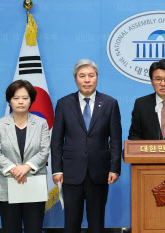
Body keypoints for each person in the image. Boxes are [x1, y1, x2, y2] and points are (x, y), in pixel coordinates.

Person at [51, 59, 122, 233]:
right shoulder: (63, 103)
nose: (87, 80)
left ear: (97, 78)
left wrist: (115, 168)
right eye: (82, 76)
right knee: (71, 223)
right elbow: (57, 140)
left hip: (99, 172)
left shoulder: (110, 103)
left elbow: (116, 139)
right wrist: (57, 169)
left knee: (96, 223)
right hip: (71, 172)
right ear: (75, 79)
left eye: (91, 75)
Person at [0, 80, 50, 233]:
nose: (20, 102)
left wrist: (26, 167)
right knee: (10, 229)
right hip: (8, 184)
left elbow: (44, 150)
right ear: (9, 100)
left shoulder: (41, 123)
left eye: (25, 97)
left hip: (34, 184)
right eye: (16, 98)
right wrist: (14, 169)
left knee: (34, 229)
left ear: (31, 100)